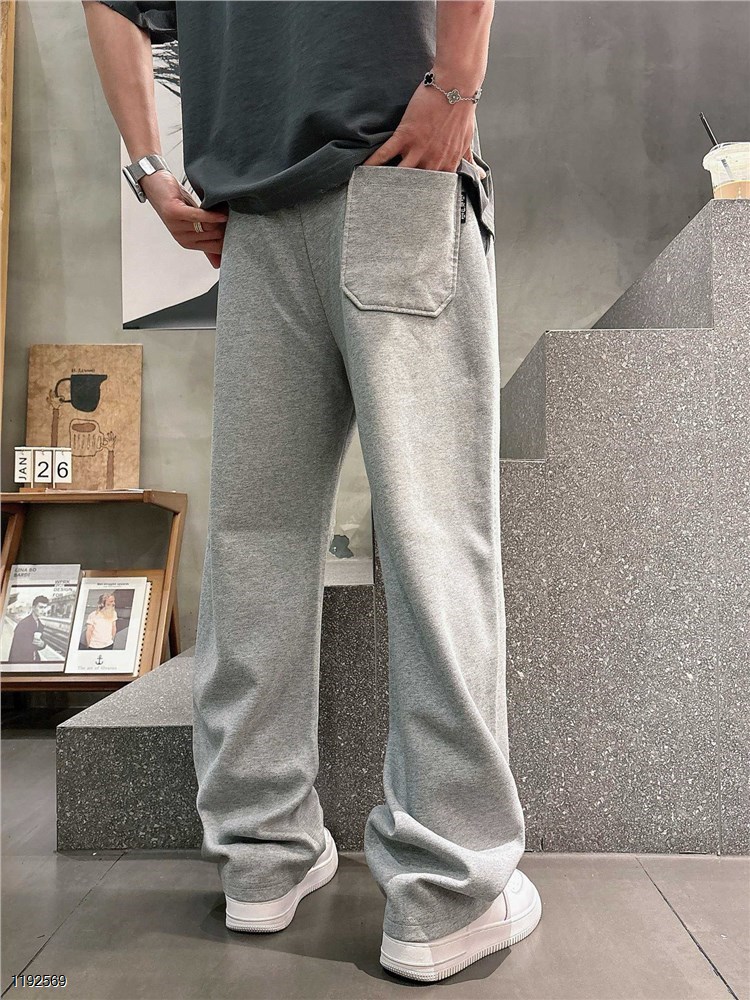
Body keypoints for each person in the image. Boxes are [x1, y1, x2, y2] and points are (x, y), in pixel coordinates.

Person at [82, 0, 542, 982]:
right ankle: (447, 892)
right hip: (395, 169)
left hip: (252, 207)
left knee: (256, 543)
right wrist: (457, 86)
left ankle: (262, 857)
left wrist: (148, 167)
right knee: (431, 534)